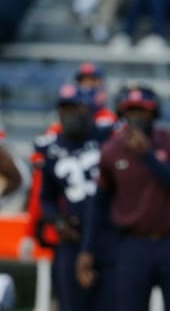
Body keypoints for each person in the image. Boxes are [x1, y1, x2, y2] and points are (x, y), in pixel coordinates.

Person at [77, 84, 170, 311]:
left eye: (142, 110)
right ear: (122, 114)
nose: (137, 116)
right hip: (132, 243)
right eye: (131, 111)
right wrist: (87, 249)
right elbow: (99, 204)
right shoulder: (111, 150)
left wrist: (149, 156)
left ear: (154, 113)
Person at [36, 83, 114, 311]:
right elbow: (46, 198)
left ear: (89, 109)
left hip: (109, 235)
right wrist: (57, 221)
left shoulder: (108, 137)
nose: (70, 114)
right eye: (65, 108)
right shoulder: (51, 148)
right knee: (70, 304)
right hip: (72, 237)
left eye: (76, 108)